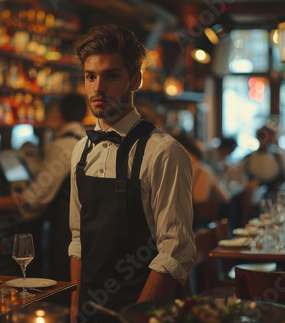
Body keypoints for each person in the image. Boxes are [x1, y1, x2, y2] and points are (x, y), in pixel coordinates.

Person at [68, 24, 195, 323]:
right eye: (90, 77)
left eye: (111, 76)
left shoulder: (164, 152)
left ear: (135, 80)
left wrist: (133, 319)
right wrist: (75, 310)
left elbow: (176, 252)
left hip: (144, 314)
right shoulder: (80, 150)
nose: (98, 88)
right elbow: (77, 240)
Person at [0, 93, 87, 281]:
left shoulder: (62, 146)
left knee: (61, 287)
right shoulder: (85, 139)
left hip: (65, 235)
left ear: (59, 114)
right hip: (82, 230)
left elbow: (29, 199)